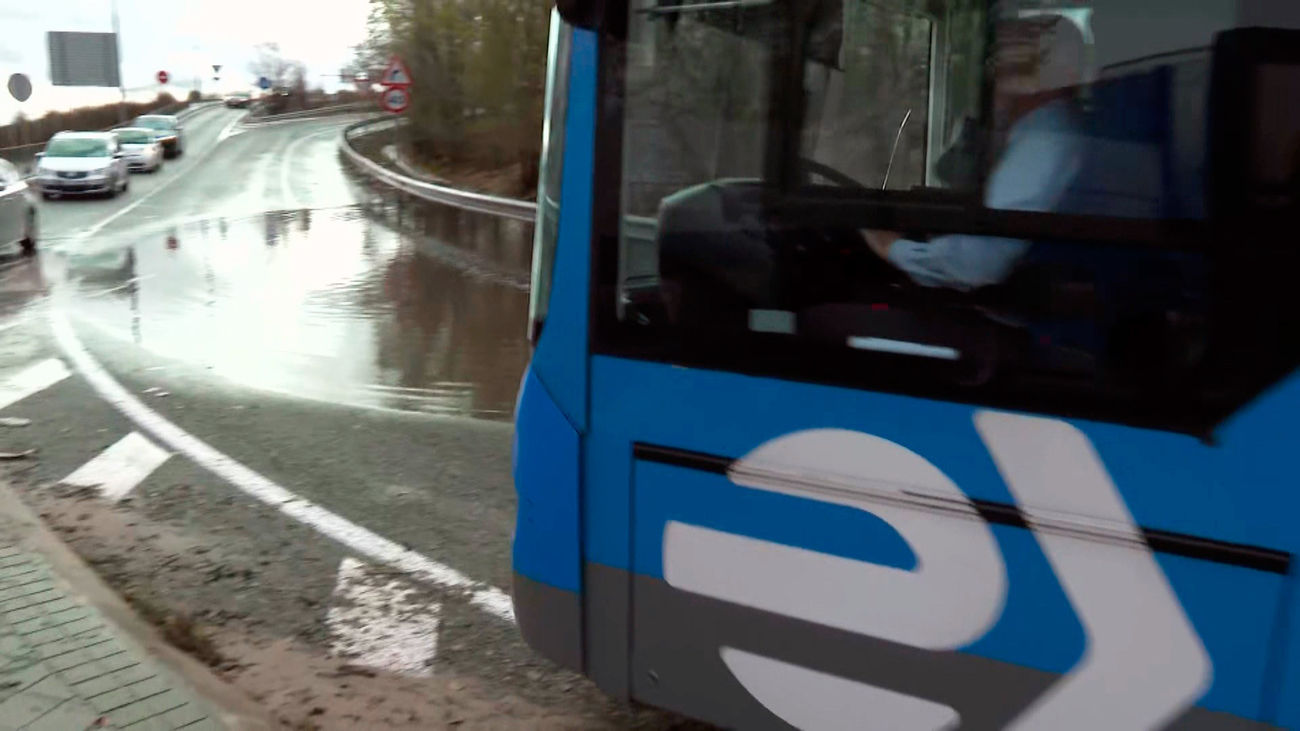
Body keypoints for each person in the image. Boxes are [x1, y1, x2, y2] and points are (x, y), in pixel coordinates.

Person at [862, 16, 1089, 291]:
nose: (992, 73)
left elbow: (978, 264)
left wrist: (893, 249)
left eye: (1005, 60)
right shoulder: (1037, 131)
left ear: (1041, 74)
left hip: (1010, 313)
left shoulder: (1046, 141)